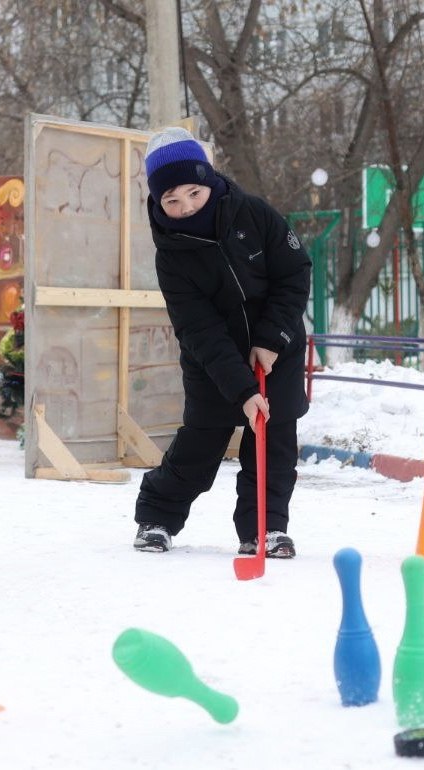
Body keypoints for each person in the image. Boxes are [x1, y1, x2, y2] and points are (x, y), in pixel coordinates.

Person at [132, 127, 312, 557]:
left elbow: (295, 272)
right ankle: (156, 517)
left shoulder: (254, 214)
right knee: (200, 445)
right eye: (171, 201)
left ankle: (263, 530)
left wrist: (271, 341)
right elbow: (198, 328)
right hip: (213, 361)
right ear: (158, 203)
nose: (185, 207)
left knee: (274, 446)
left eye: (193, 193)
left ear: (208, 181)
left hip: (277, 351)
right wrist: (242, 389)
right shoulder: (170, 254)